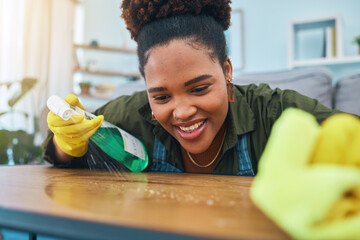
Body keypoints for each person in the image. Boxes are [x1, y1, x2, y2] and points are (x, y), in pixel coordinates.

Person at [42, 0, 341, 175]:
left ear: (226, 71)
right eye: (160, 95)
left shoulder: (274, 111)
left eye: (199, 89)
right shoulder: (132, 113)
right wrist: (65, 143)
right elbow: (62, 158)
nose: (182, 112)